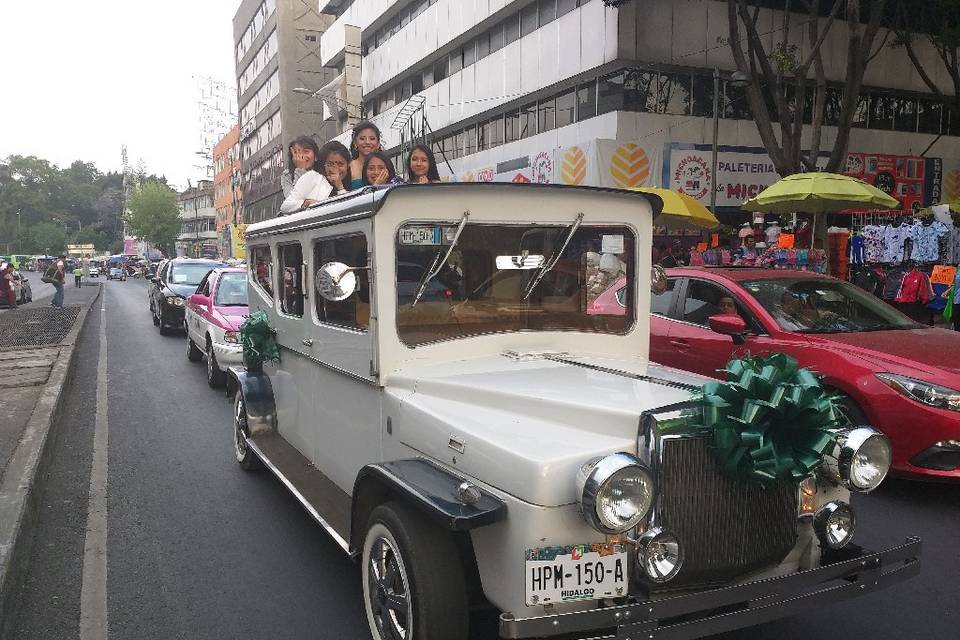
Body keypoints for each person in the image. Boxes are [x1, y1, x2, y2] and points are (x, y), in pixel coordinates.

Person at [279, 148, 334, 215]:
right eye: (296, 153)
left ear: (316, 156)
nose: (301, 156)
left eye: (306, 151)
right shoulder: (287, 175)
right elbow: (289, 202)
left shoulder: (322, 178)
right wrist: (306, 203)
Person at [349, 121, 383, 189]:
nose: (367, 142)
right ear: (355, 143)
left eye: (372, 139)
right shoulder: (348, 167)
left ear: (378, 143)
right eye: (362, 139)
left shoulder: (385, 165)